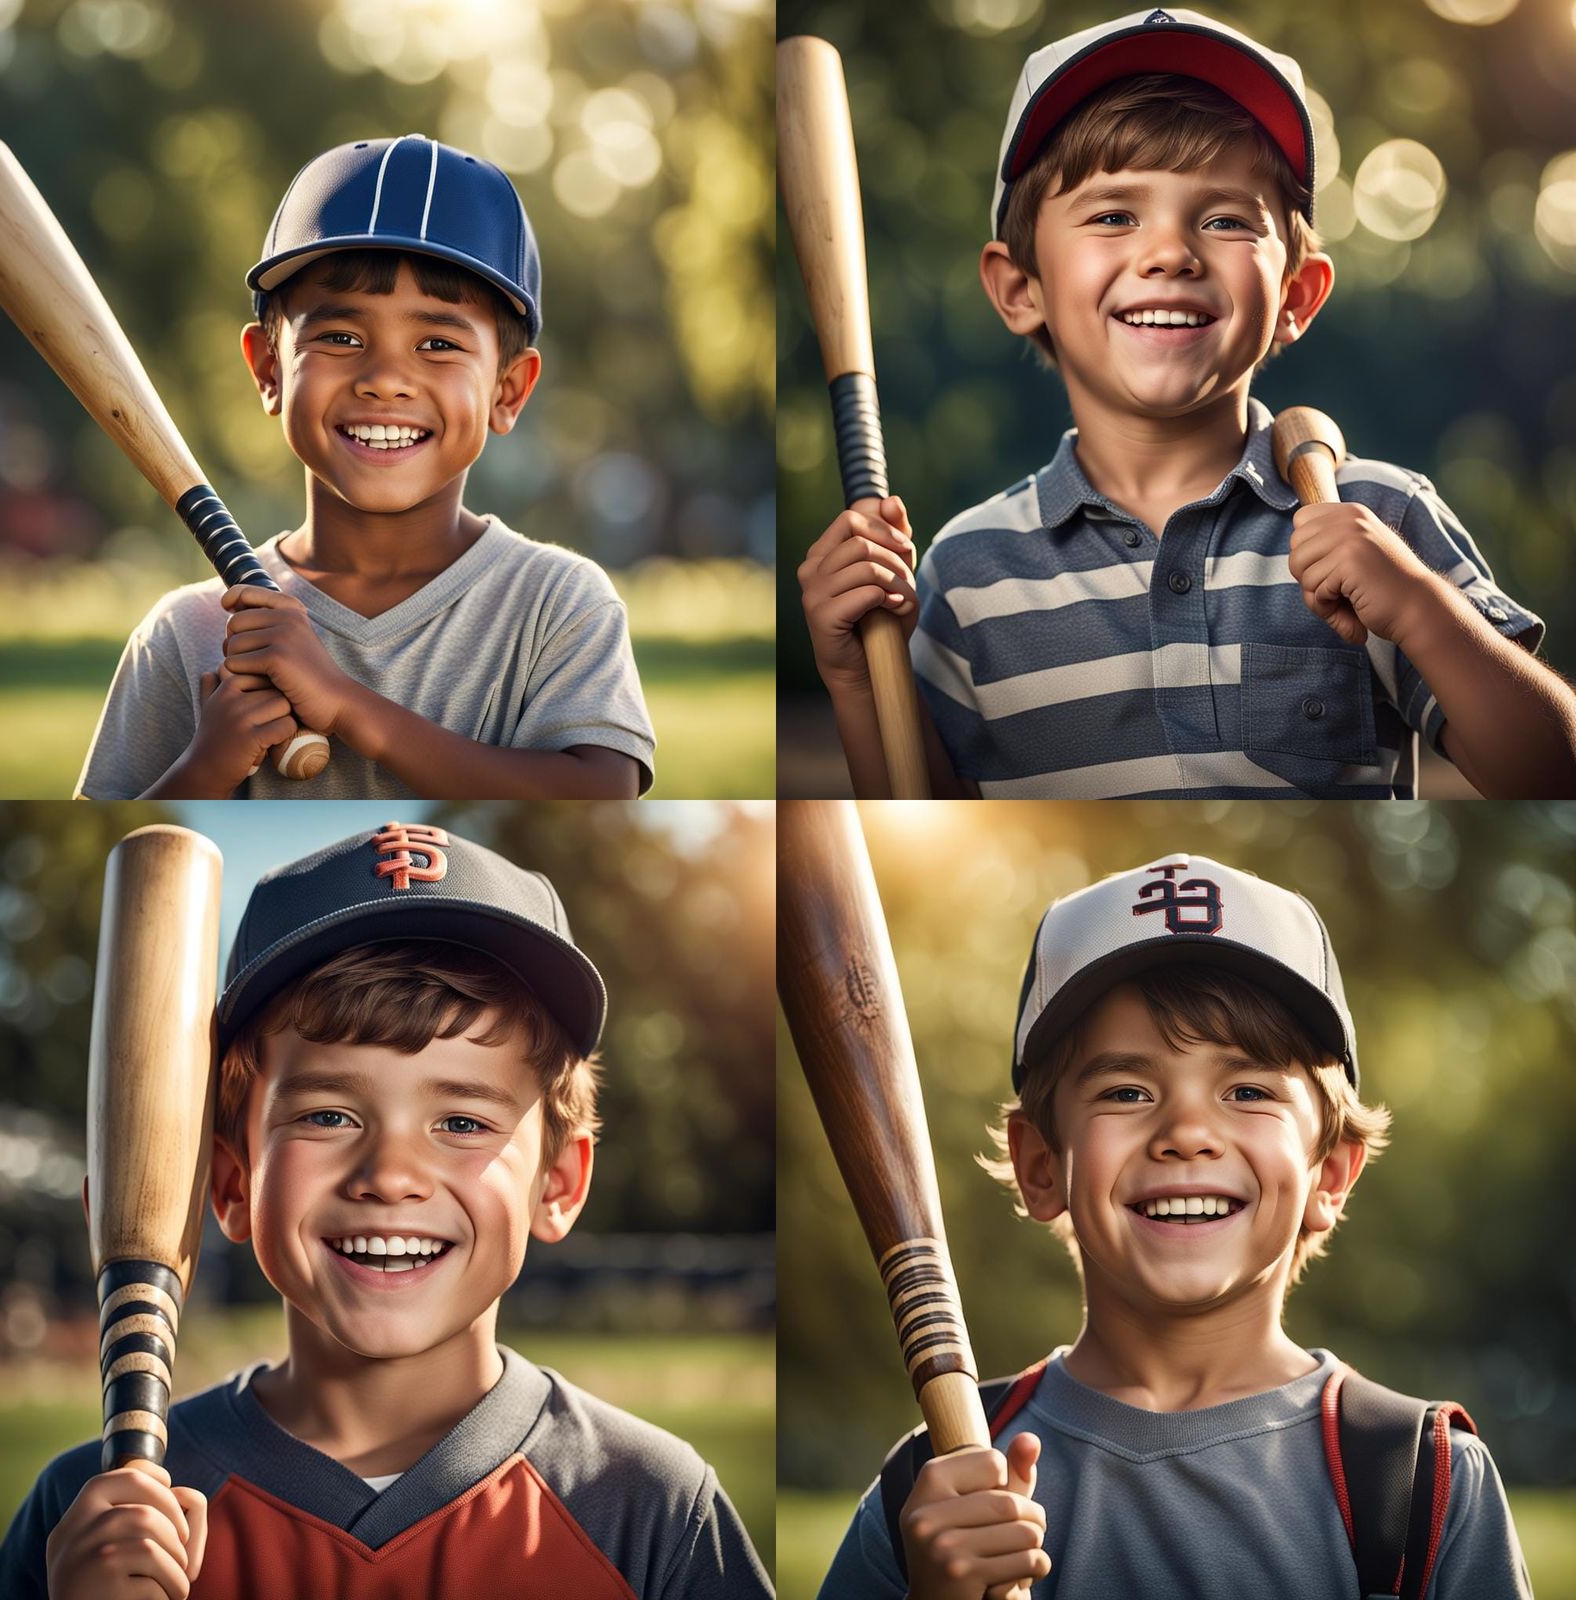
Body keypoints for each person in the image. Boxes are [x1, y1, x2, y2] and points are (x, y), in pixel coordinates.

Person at [798, 9, 1576, 799]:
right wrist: (863, 686)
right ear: (1020, 288)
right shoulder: (968, 572)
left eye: (1226, 219)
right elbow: (929, 810)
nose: (1170, 252)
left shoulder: (1378, 518)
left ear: (1296, 297)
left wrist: (1419, 608)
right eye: (1112, 215)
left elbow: (1555, 778)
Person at [0, 823, 771, 1599]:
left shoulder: (650, 1508)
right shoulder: (91, 1509)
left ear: (557, 1184)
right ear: (227, 1185)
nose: (390, 1176)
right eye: (328, 1115)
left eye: (462, 1122)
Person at [817, 851, 1531, 1599]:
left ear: (1330, 1174)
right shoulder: (936, 1487)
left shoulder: (1417, 1483)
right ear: (1039, 1165)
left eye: (1248, 1088)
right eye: (1126, 1091)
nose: (1187, 1130)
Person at [76, 135, 655, 800]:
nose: (385, 380)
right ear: (269, 369)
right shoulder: (190, 633)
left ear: (508, 391)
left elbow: (603, 795)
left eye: (438, 343)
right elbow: (126, 845)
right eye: (340, 337)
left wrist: (346, 705)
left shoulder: (555, 603)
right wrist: (208, 764)